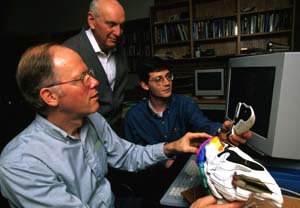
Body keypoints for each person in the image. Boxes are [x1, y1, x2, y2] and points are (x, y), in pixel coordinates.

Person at [0, 43, 214, 208]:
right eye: (81, 78)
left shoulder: (92, 119)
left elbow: (126, 156)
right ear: (50, 96)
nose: (95, 82)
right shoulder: (21, 164)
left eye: (90, 73)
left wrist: (172, 147)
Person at [123, 56, 252, 203]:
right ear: (145, 85)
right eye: (158, 79)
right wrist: (164, 163)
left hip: (184, 170)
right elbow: (132, 157)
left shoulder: (184, 104)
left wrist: (220, 132)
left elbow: (204, 125)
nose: (167, 83)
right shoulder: (134, 117)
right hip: (153, 181)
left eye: (168, 76)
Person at [64, 0, 128, 135]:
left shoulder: (119, 46)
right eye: (111, 24)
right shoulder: (69, 52)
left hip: (115, 132)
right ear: (92, 21)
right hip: (85, 133)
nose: (118, 32)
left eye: (121, 26)